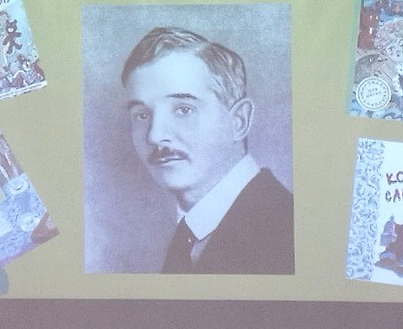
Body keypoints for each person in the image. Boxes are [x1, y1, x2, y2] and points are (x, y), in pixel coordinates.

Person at [121, 26, 294, 274]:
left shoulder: (285, 233)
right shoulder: (188, 234)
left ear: (239, 121)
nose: (155, 135)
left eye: (183, 109)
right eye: (142, 115)